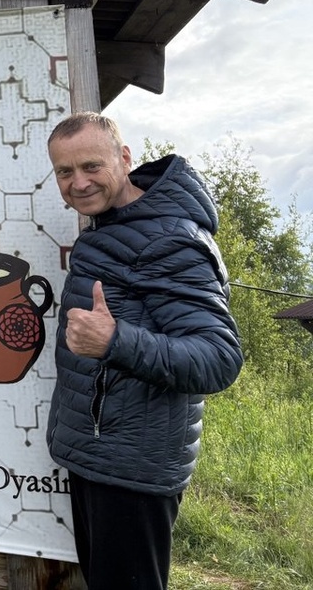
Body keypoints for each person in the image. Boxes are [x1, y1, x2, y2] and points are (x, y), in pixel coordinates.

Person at [46, 111, 242, 590]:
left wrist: (115, 341)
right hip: (101, 456)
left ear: (125, 158)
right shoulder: (115, 225)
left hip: (132, 470)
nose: (79, 183)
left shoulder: (169, 239)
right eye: (65, 171)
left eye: (91, 166)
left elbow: (217, 358)